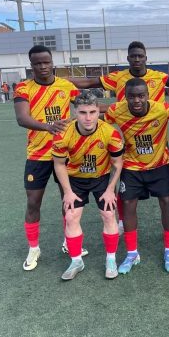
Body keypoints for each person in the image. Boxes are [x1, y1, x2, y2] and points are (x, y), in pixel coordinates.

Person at [69, 41, 169, 237]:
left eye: (140, 56)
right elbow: (90, 83)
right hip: (129, 133)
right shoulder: (118, 77)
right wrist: (61, 82)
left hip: (156, 135)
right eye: (133, 56)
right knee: (125, 189)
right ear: (127, 58)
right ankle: (122, 222)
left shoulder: (158, 77)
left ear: (145, 58)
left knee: (166, 196)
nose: (136, 59)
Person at [14, 45, 86, 271]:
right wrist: (48, 126)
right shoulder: (24, 88)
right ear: (31, 65)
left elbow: (85, 106)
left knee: (68, 200)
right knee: (33, 202)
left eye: (46, 62)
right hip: (37, 155)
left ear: (52, 62)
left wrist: (118, 109)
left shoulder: (66, 86)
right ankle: (34, 248)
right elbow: (22, 118)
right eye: (37, 63)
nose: (43, 66)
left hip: (64, 154)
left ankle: (68, 241)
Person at [104, 79, 169, 273]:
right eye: (131, 96)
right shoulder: (116, 110)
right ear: (125, 97)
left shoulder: (162, 109)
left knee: (167, 202)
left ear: (147, 95)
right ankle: (132, 253)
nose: (136, 100)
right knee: (128, 204)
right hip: (131, 166)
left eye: (140, 95)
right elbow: (99, 124)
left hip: (160, 165)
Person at [53, 90, 124, 280]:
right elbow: (59, 164)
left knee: (108, 214)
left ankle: (111, 260)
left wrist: (110, 190)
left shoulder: (110, 133)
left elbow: (117, 163)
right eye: (83, 113)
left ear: (98, 111)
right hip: (75, 178)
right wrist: (67, 192)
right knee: (71, 216)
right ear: (75, 112)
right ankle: (76, 261)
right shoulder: (63, 133)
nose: (88, 118)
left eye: (92, 112)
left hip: (102, 178)